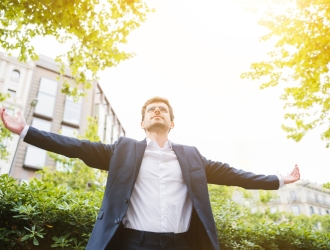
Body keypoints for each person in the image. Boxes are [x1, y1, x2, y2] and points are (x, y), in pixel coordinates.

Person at [0, 96, 300, 250]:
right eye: (151, 110)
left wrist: (279, 180)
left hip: (181, 244)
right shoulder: (122, 150)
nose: (158, 112)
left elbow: (233, 174)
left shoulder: (191, 156)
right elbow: (76, 146)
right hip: (132, 243)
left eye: (163, 110)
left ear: (171, 123)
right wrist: (26, 131)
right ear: (143, 122)